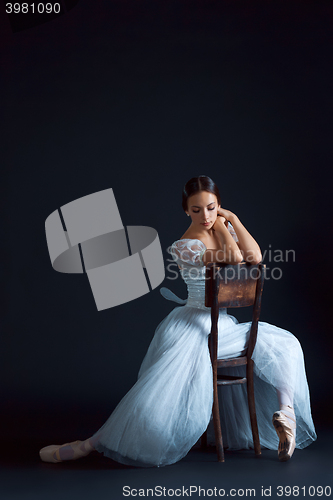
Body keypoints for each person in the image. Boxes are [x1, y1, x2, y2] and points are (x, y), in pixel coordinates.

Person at [39, 175, 316, 466]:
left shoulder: (223, 224)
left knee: (286, 345)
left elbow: (255, 256)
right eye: (196, 210)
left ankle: (285, 414)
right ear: (186, 210)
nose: (205, 216)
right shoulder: (186, 245)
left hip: (221, 327)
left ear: (219, 205)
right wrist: (224, 223)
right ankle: (92, 444)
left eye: (211, 208)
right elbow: (234, 259)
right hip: (193, 326)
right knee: (155, 396)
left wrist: (233, 218)